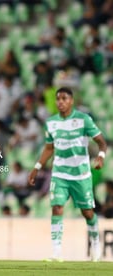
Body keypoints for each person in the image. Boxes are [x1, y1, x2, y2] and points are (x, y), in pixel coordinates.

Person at [28, 87, 107, 262]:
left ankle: (95, 244)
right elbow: (49, 147)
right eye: (58, 99)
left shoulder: (83, 119)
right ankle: (56, 253)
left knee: (87, 213)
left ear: (72, 101)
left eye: (64, 98)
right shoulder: (51, 123)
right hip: (60, 174)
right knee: (57, 207)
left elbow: (102, 142)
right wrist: (37, 166)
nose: (60, 102)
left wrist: (100, 157)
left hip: (81, 175)